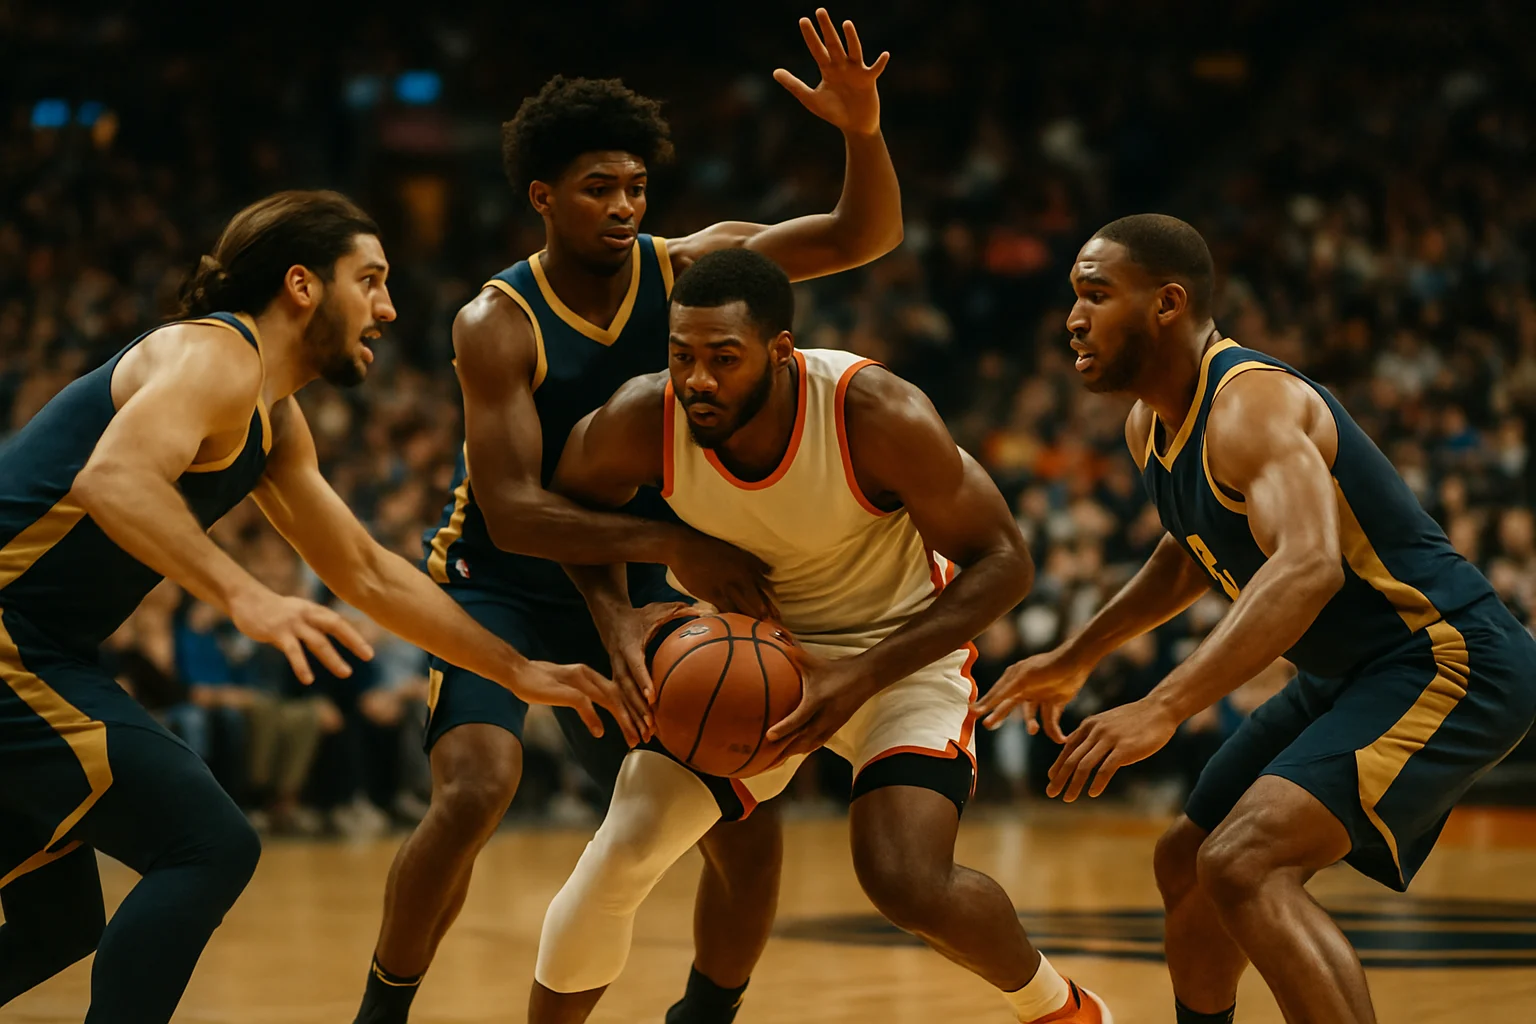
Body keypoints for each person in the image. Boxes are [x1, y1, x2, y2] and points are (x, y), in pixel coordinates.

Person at [356, 10, 905, 1024]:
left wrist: (861, 132)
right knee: (477, 787)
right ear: (542, 196)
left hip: (643, 573)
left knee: (740, 813)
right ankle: (382, 1010)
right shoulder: (496, 322)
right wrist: (672, 543)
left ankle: (705, 1012)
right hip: (503, 582)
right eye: (598, 186)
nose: (623, 205)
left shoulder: (690, 270)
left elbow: (862, 235)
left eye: (636, 186)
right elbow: (518, 512)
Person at [0, 190, 627, 1024]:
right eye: (368, 281)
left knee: (58, 923)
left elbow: (365, 570)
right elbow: (113, 479)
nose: (388, 308)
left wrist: (518, 671)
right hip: (13, 642)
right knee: (206, 844)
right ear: (302, 285)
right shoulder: (212, 355)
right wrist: (247, 595)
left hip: (43, 650)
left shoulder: (274, 417)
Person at [974, 214, 1536, 1024]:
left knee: (1243, 863)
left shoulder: (1252, 405)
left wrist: (1164, 704)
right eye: (1073, 297)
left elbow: (1306, 567)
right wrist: (1079, 654)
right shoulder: (1150, 425)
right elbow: (1190, 550)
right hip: (1349, 673)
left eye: (1096, 294)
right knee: (1189, 862)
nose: (1072, 317)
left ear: (1168, 304)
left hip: (1446, 657)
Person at [532, 247, 1111, 1024]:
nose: (697, 380)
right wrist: (616, 614)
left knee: (904, 880)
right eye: (681, 357)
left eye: (723, 359)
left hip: (900, 657)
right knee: (623, 851)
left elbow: (1006, 563)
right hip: (751, 656)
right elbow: (568, 511)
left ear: (780, 352)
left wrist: (864, 675)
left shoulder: (875, 414)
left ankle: (1063, 1009)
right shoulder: (645, 417)